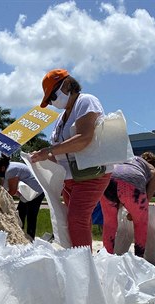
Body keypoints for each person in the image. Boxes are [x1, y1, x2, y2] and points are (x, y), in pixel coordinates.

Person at [30, 69, 112, 248]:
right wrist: (39, 157)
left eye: (52, 96)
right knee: (75, 221)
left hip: (91, 173)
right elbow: (61, 154)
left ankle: (83, 266)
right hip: (71, 177)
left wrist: (50, 151)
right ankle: (80, 259)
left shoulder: (86, 101)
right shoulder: (61, 118)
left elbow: (84, 137)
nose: (52, 102)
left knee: (76, 219)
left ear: (67, 85)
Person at [100, 153, 155, 257]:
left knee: (109, 223)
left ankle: (107, 257)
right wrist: (134, 213)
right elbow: (146, 199)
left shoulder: (127, 159)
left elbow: (119, 192)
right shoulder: (151, 169)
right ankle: (138, 258)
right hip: (132, 182)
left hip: (108, 180)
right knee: (140, 223)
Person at [0, 155, 45, 241]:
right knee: (20, 213)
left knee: (31, 215)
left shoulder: (11, 170)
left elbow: (12, 191)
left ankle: (30, 238)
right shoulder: (7, 168)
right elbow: (3, 186)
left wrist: (1, 199)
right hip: (27, 193)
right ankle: (20, 234)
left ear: (2, 168)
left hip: (36, 192)